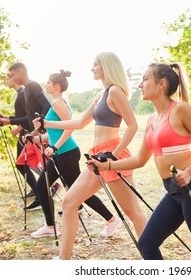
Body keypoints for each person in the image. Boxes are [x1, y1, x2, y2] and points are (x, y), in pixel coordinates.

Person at [88, 62, 191, 260]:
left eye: (145, 79)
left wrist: (189, 172)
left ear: (161, 84)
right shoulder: (151, 121)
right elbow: (140, 160)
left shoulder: (181, 110)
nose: (140, 84)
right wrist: (108, 165)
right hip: (173, 190)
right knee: (147, 244)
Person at [35, 52, 147, 259]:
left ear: (107, 66)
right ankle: (64, 260)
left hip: (113, 155)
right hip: (96, 156)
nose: (92, 68)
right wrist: (47, 124)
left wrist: (113, 156)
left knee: (133, 213)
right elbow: (79, 123)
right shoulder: (100, 94)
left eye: (96, 65)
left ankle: (154, 260)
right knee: (69, 203)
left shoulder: (115, 92)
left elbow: (133, 126)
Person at [29, 69, 120, 239]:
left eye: (48, 82)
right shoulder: (57, 102)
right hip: (60, 153)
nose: (46, 85)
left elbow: (69, 128)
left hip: (66, 153)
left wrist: (55, 147)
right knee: (42, 186)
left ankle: (111, 219)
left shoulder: (58, 103)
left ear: (56, 86)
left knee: (79, 192)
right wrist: (35, 139)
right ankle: (49, 226)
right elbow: (56, 131)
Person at [0, 62, 61, 211]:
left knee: (54, 169)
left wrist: (41, 125)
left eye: (12, 75)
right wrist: (8, 121)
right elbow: (28, 116)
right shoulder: (26, 90)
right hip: (33, 136)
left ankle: (73, 200)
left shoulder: (33, 85)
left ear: (20, 72)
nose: (11, 78)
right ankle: (41, 194)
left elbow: (46, 106)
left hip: (41, 135)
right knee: (21, 163)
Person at [0, 73, 36, 199]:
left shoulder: (22, 94)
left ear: (14, 78)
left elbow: (28, 117)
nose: (6, 82)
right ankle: (37, 190)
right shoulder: (20, 94)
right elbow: (20, 117)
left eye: (8, 79)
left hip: (27, 134)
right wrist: (5, 117)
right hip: (24, 133)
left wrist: (15, 128)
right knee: (21, 164)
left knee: (22, 164)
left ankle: (40, 191)